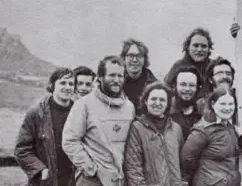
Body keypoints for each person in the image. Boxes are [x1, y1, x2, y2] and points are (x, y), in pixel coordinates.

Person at [63, 56, 135, 186]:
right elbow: (69, 141)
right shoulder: (83, 104)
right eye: (112, 75)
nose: (116, 80)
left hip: (119, 180)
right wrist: (94, 170)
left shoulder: (129, 107)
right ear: (100, 77)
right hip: (90, 179)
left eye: (120, 76)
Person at [14, 67, 76, 186]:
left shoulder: (79, 111)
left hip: (74, 180)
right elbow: (21, 149)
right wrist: (40, 170)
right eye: (63, 83)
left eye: (71, 84)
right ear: (52, 85)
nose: (67, 87)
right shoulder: (37, 112)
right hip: (47, 181)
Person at [124, 81, 186, 186]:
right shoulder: (137, 128)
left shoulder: (176, 129)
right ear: (145, 101)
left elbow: (182, 163)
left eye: (162, 100)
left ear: (167, 104)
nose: (157, 103)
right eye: (153, 99)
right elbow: (133, 168)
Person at [181, 87, 240, 186]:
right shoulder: (203, 130)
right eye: (223, 104)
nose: (227, 108)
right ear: (213, 104)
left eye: (231, 104)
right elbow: (187, 158)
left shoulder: (230, 127)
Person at [164, 27, 214, 93]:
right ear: (188, 47)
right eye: (195, 45)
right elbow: (166, 89)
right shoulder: (178, 66)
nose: (199, 49)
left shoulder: (213, 67)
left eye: (204, 46)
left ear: (209, 49)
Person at [120, 38, 157, 112]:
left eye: (139, 56)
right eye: (131, 55)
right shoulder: (117, 81)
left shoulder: (154, 84)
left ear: (145, 59)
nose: (134, 60)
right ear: (124, 58)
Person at [168, 65, 203, 140]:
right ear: (174, 86)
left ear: (197, 88)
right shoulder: (165, 112)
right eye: (183, 84)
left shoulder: (203, 113)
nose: (187, 89)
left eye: (192, 85)